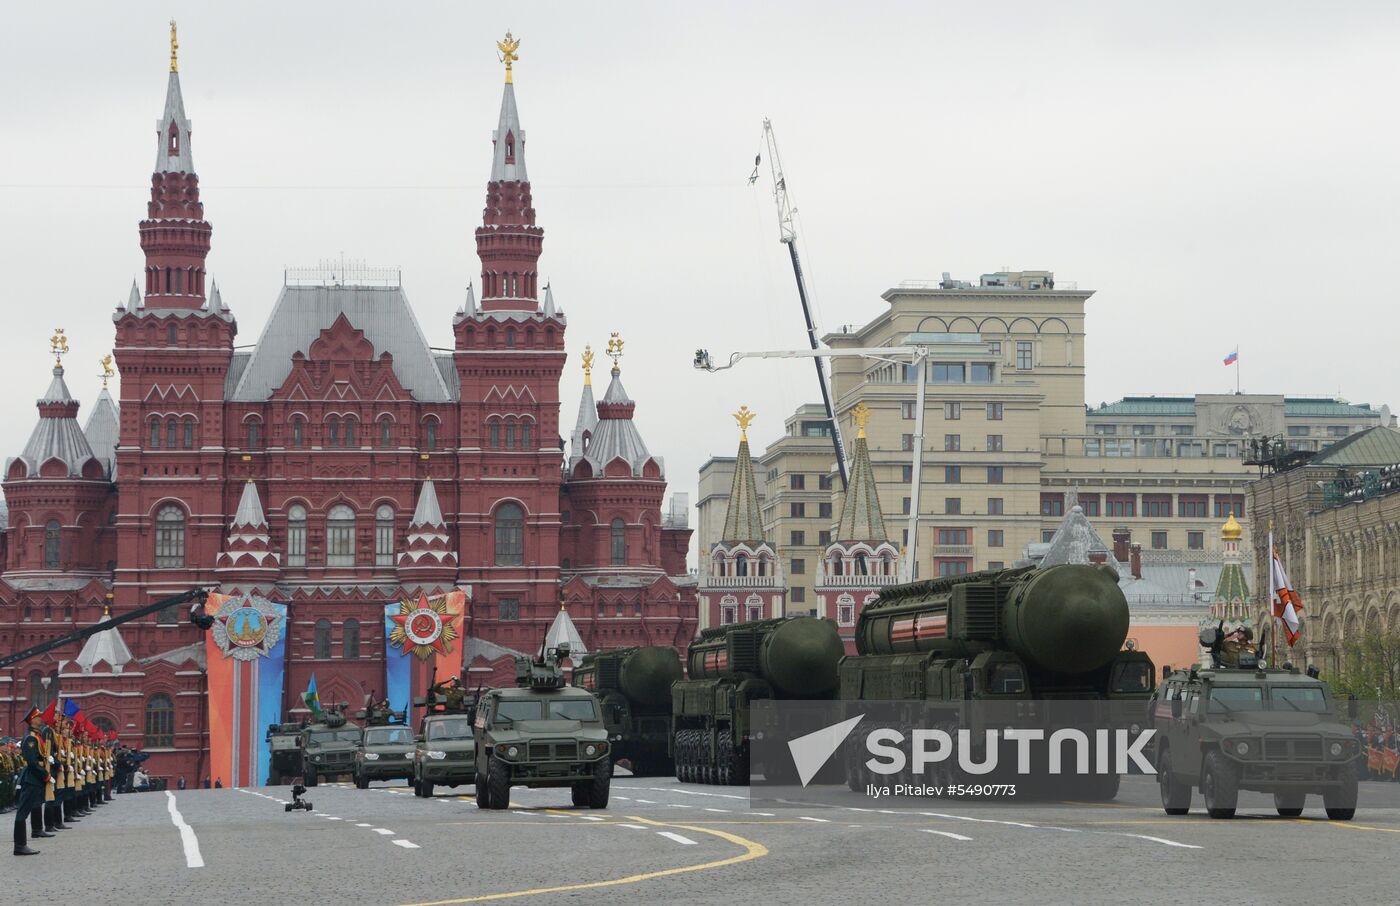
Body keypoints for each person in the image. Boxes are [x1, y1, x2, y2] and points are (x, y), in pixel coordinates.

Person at [14, 707, 50, 856]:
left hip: (35, 778)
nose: (41, 719)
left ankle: (21, 845)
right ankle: (20, 846)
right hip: (31, 778)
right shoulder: (30, 738)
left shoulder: (36, 735)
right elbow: (32, 762)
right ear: (32, 720)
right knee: (22, 812)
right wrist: (45, 774)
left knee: (25, 811)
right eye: (38, 717)